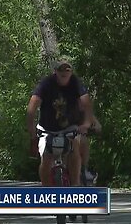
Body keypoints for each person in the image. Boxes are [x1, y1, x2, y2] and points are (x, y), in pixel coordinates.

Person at [26, 56, 94, 187]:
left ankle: (74, 186)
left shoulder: (75, 83)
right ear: (55, 71)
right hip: (47, 129)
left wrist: (86, 124)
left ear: (71, 72)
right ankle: (46, 189)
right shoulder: (46, 83)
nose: (64, 72)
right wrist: (31, 127)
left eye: (67, 70)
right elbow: (33, 105)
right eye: (61, 69)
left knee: (74, 150)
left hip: (69, 128)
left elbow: (87, 104)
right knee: (46, 158)